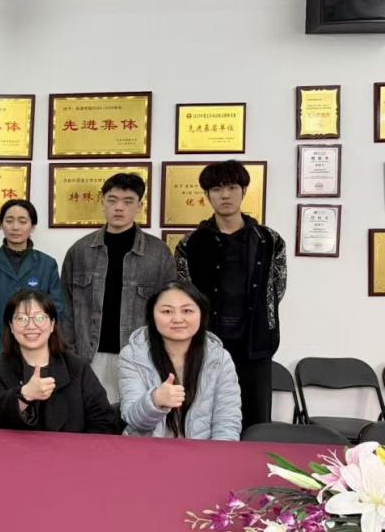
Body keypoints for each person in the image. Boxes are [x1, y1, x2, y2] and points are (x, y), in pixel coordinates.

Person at [174, 160, 286, 430]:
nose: (225, 195)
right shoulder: (190, 243)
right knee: (204, 419)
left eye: (232, 187)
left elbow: (277, 288)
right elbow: (184, 294)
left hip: (255, 343)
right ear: (207, 195)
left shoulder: (269, 240)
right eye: (216, 189)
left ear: (244, 191)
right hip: (206, 344)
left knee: (256, 421)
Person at [60, 173, 175, 403]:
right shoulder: (80, 250)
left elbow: (169, 309)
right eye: (112, 200)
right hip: (88, 356)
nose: (119, 207)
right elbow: (65, 307)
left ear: (140, 206)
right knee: (89, 418)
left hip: (140, 357)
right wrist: (69, 353)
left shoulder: (158, 253)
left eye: (128, 201)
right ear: (102, 201)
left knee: (136, 417)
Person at [118, 281, 242, 440]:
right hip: (147, 450)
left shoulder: (220, 359)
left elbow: (227, 424)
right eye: (167, 311)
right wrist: (155, 401)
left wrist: (215, 455)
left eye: (187, 311)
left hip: (201, 452)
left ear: (202, 314)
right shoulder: (133, 355)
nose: (177, 319)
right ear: (152, 316)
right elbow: (133, 420)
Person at [0, 290, 117, 433]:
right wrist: (24, 395)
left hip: (71, 447)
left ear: (52, 324)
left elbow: (104, 422)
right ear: (11, 326)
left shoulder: (77, 367)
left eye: (40, 318)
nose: (31, 326)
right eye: (21, 318)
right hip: (15, 447)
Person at [0, 199, 66, 371]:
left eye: (22, 221)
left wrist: (32, 344)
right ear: (1, 225)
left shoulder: (47, 264)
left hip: (35, 353)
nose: (15, 227)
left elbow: (55, 309)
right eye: (9, 220)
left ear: (32, 227)